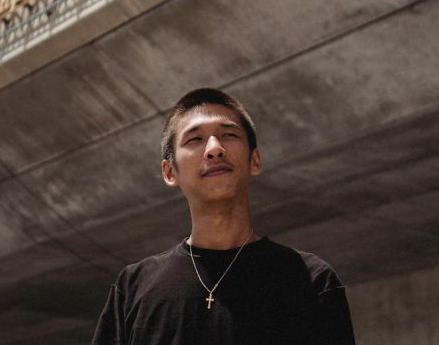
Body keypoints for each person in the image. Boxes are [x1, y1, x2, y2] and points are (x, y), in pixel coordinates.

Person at [91, 88, 356, 345]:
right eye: (195, 139)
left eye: (228, 134)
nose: (215, 149)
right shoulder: (133, 288)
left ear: (254, 160)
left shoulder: (312, 280)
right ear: (170, 172)